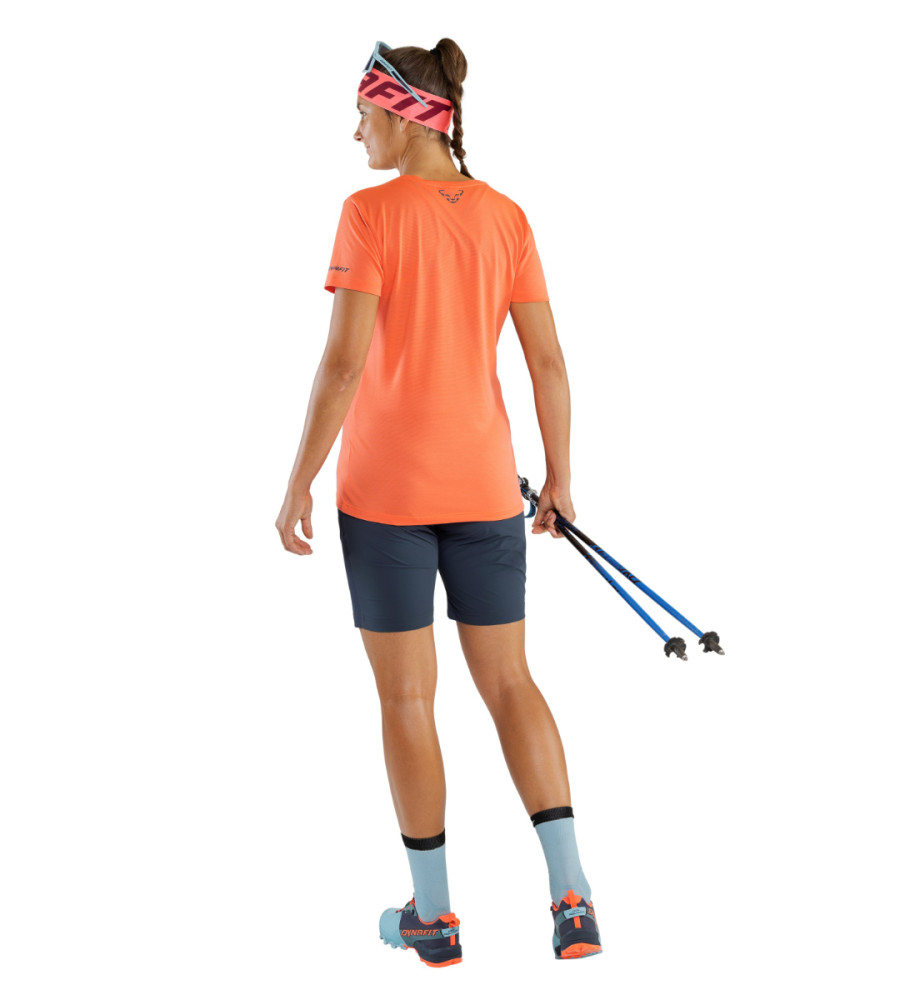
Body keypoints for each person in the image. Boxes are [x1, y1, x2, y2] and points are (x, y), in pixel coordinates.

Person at [275, 39, 601, 966]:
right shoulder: (506, 217)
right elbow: (548, 362)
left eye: (362, 114)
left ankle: (436, 918)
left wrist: (297, 479)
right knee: (512, 683)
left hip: (385, 500)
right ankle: (573, 900)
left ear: (404, 116)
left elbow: (343, 365)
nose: (355, 132)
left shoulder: (369, 215)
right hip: (487, 492)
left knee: (408, 698)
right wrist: (561, 477)